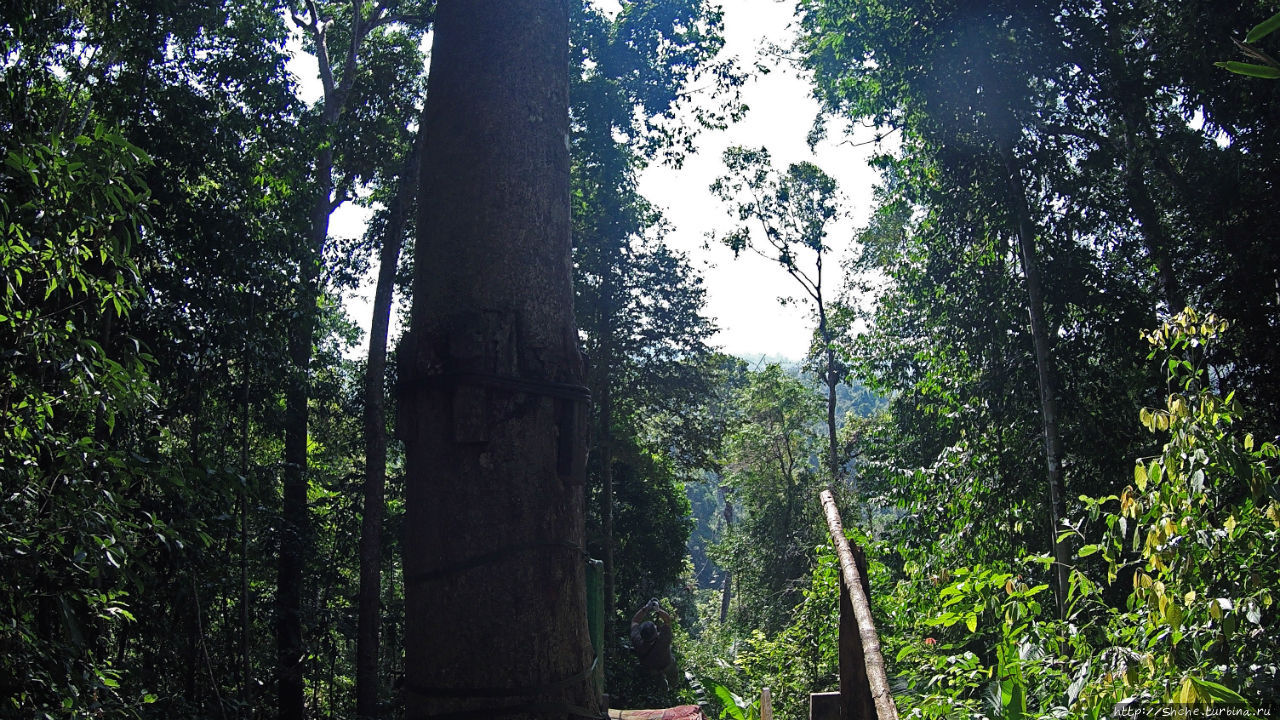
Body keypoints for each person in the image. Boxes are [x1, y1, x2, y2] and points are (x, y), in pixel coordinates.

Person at [630, 598, 676, 678]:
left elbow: (635, 621)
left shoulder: (637, 640)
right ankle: (674, 685)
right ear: (656, 633)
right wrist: (658, 610)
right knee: (673, 677)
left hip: (650, 670)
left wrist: (646, 608)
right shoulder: (663, 640)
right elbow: (667, 621)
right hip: (667, 666)